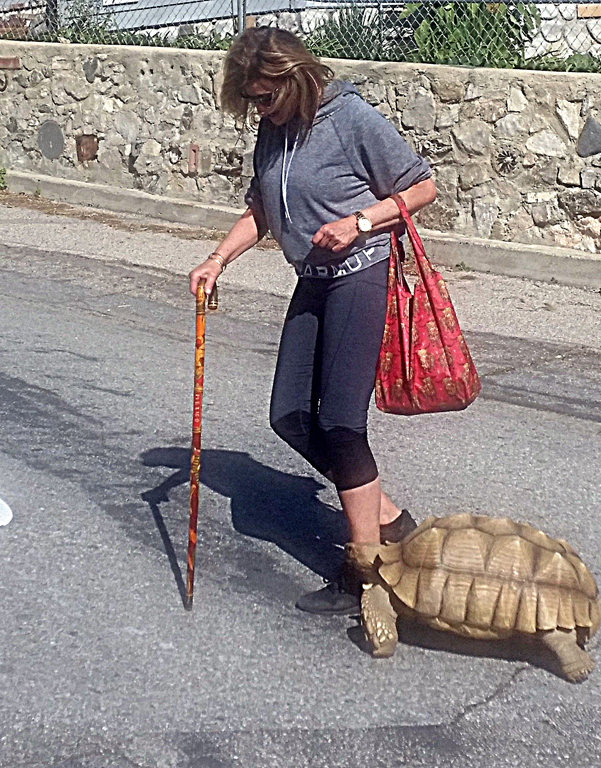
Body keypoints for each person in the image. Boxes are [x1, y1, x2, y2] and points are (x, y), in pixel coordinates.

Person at [189, 27, 437, 615]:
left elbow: (422, 187)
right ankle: (387, 517)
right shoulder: (272, 132)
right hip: (314, 277)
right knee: (291, 416)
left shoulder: (349, 118)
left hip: (360, 275)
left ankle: (366, 573)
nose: (258, 109)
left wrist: (359, 222)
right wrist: (216, 260)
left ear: (294, 77)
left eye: (265, 97)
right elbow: (262, 210)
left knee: (342, 425)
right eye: (250, 100)